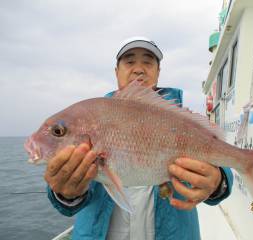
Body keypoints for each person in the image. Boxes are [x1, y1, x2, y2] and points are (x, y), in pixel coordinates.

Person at [45, 36, 234, 240]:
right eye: (129, 61)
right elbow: (69, 194)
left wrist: (218, 181)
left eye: (148, 61)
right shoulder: (92, 120)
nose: (138, 69)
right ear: (116, 71)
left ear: (158, 72)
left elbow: (216, 153)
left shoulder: (180, 120)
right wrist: (65, 193)